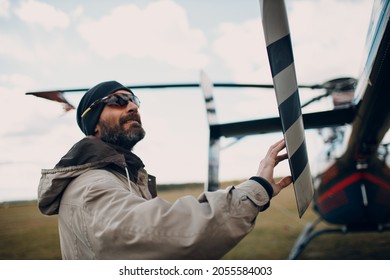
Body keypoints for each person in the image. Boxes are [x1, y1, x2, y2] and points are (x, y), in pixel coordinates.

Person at [37, 80, 292, 260]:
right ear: (93, 125)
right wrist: (257, 188)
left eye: (133, 99)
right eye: (117, 100)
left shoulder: (122, 175)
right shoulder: (92, 186)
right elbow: (170, 233)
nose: (132, 106)